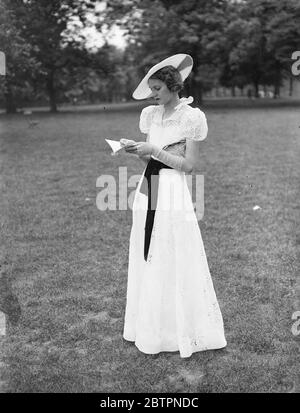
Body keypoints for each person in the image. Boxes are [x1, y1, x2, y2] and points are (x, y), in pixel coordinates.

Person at [122, 54, 227, 358]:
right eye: (152, 89)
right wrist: (137, 151)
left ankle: (177, 329)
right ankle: (151, 327)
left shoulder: (191, 117)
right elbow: (150, 159)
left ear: (173, 86)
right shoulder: (151, 115)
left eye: (157, 88)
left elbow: (189, 165)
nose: (153, 94)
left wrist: (154, 149)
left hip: (171, 193)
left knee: (172, 252)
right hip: (147, 189)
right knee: (149, 252)